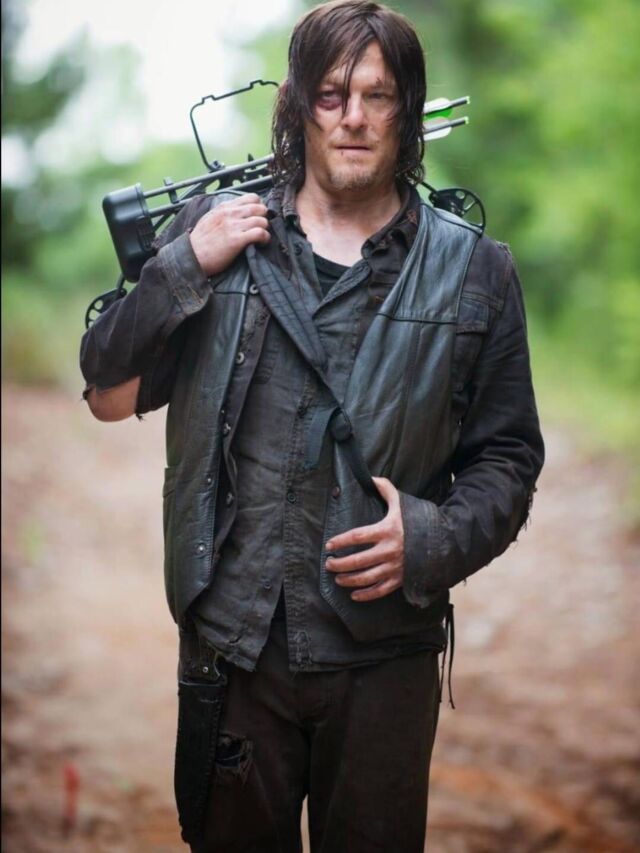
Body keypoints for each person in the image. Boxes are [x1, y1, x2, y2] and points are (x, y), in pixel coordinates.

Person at [80, 1, 544, 850]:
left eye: (377, 94)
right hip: (235, 645)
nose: (354, 116)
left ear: (408, 108)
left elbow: (509, 456)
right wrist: (183, 265)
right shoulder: (215, 236)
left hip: (385, 654)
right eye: (331, 95)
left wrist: (432, 538)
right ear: (298, 106)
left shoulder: (477, 270)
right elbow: (105, 389)